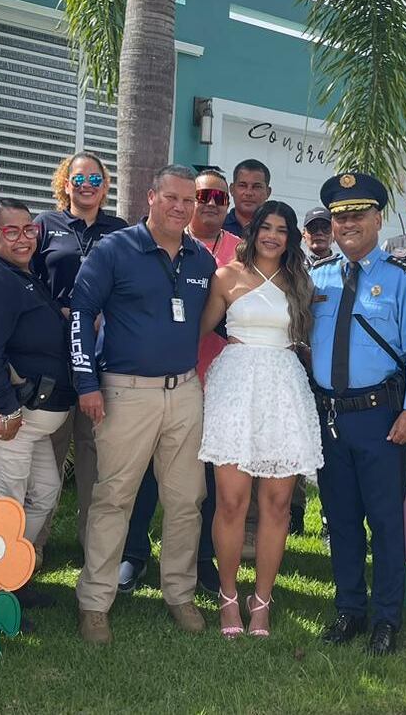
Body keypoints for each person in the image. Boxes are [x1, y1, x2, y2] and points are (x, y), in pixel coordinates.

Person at [71, 165, 216, 644]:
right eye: (171, 198)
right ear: (150, 197)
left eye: (188, 201)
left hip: (185, 392)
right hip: (124, 392)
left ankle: (179, 594)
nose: (180, 207)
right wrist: (86, 383)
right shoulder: (116, 249)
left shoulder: (200, 260)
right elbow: (81, 313)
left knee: (185, 500)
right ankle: (95, 602)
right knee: (114, 497)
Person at [310, 172, 406, 655]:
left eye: (357, 215)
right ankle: (349, 609)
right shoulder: (317, 277)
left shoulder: (403, 280)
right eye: (340, 216)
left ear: (378, 218)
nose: (347, 224)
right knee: (341, 519)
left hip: (381, 418)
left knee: (385, 521)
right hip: (331, 419)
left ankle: (387, 618)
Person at [196, 200, 322, 637]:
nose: (272, 235)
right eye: (265, 227)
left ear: (291, 238)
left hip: (284, 388)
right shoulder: (226, 276)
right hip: (235, 387)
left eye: (282, 229)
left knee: (277, 504)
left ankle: (262, 600)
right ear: (253, 232)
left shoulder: (300, 282)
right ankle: (229, 595)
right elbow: (198, 330)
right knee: (231, 501)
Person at [119, 168, 235, 594]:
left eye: (218, 198)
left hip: (216, 382)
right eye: (201, 195)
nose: (208, 203)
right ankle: (134, 554)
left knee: (199, 483)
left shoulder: (237, 252)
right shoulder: (148, 248)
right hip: (158, 379)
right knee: (144, 474)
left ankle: (200, 560)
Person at [0, 198, 77, 607]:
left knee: (43, 491)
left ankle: (9, 573)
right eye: (11, 231)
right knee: (2, 505)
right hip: (4, 412)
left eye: (30, 229)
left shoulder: (23, 275)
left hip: (29, 420)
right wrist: (5, 407)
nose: (24, 238)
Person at [37, 152, 129, 552]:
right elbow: (29, 277)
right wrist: (57, 312)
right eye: (79, 179)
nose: (87, 186)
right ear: (65, 183)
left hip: (103, 355)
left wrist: (100, 312)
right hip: (53, 353)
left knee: (96, 457)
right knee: (46, 455)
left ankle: (95, 549)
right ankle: (31, 547)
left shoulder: (120, 231)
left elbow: (129, 286)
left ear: (105, 186)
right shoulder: (45, 226)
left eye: (95, 179)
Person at [223, 158, 271, 236]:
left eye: (256, 187)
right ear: (231, 189)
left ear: (268, 192)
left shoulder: (274, 232)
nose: (249, 193)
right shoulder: (218, 226)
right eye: (242, 185)